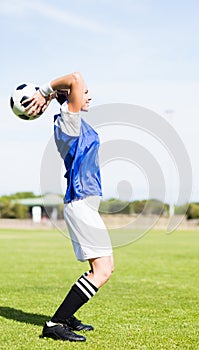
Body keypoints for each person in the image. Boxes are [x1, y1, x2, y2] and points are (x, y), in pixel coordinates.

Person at [24, 72, 114, 342]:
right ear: (72, 96)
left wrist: (52, 95)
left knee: (101, 267)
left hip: (84, 203)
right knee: (104, 270)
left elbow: (72, 85)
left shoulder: (73, 121)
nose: (89, 95)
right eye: (85, 92)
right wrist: (44, 91)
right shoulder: (69, 121)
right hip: (80, 203)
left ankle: (67, 315)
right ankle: (56, 323)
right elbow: (74, 77)